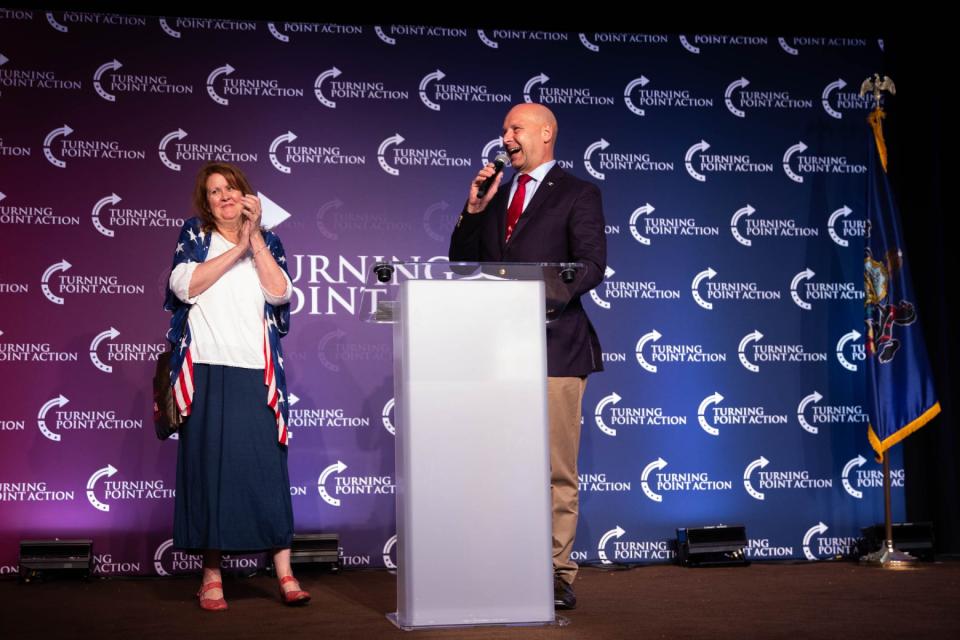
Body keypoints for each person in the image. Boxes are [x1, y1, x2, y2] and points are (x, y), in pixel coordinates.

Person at [449, 103, 606, 610]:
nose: (506, 137)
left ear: (545, 133)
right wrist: (475, 207)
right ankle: (504, 565)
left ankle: (558, 572)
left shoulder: (579, 192)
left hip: (555, 349)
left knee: (556, 471)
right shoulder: (497, 193)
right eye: (503, 130)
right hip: (498, 353)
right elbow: (460, 260)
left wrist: (531, 299)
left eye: (515, 128)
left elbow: (590, 265)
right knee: (501, 468)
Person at [164, 162, 309, 611]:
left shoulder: (271, 242)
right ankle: (211, 576)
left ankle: (284, 572)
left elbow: (280, 293)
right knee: (210, 473)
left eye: (231, 188)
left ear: (248, 196)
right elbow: (184, 285)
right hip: (207, 369)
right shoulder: (196, 235)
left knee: (267, 472)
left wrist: (256, 240)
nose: (224, 196)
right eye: (214, 192)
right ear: (205, 204)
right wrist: (237, 247)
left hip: (256, 373)